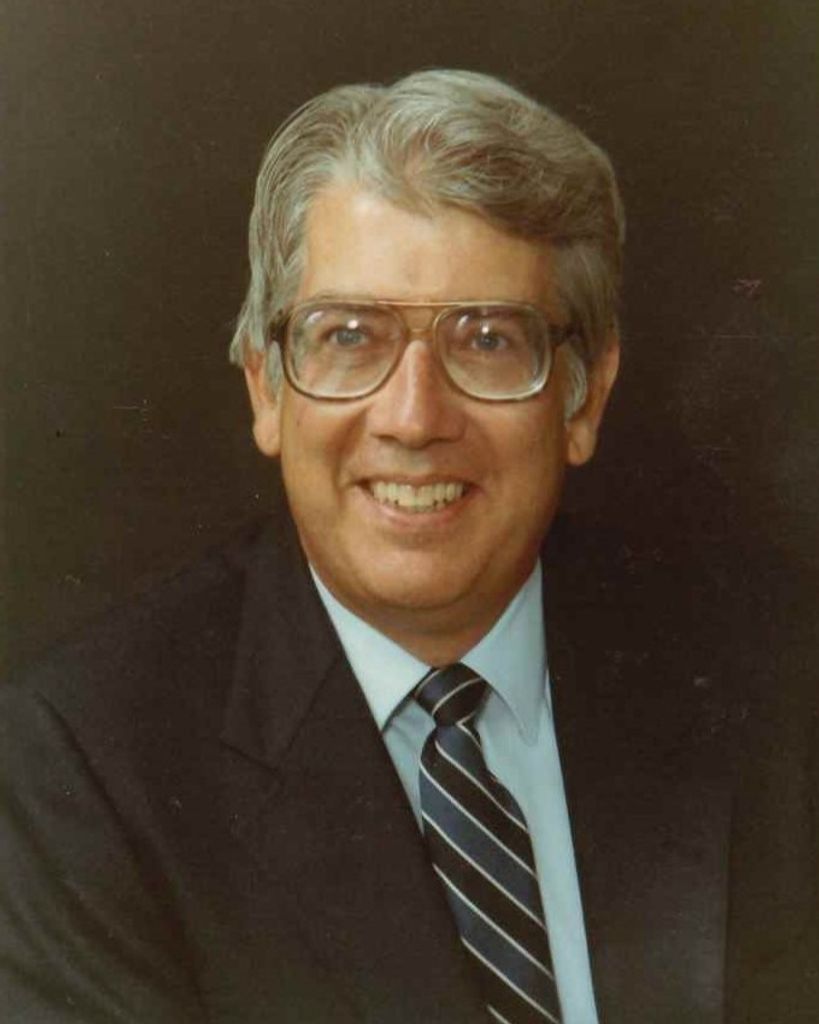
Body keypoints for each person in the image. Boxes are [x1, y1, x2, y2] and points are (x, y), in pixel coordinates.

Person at [0, 69, 815, 1024]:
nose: (414, 417)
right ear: (266, 388)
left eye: (487, 340)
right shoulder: (84, 765)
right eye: (349, 336)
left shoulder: (768, 680)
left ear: (581, 400)